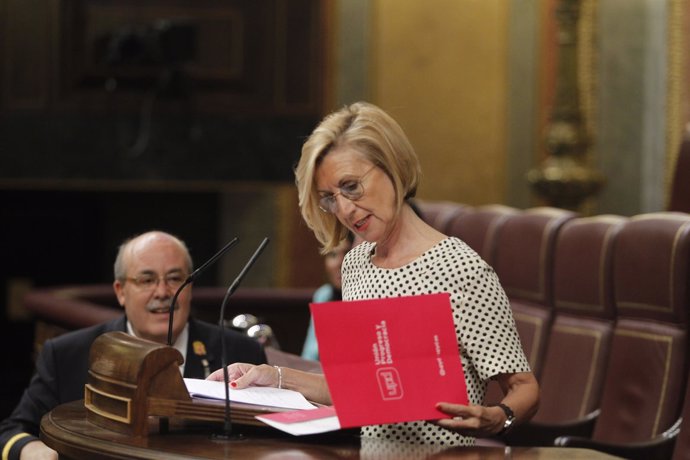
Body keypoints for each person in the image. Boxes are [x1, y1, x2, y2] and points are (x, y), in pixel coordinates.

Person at [209, 102, 539, 446]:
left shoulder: (460, 268)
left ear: (393, 166)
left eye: (351, 186)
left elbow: (524, 388)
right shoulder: (355, 265)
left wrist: (498, 417)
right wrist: (271, 376)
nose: (345, 209)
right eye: (330, 199)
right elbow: (359, 390)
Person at [0, 231, 266, 460]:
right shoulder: (67, 354)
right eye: (147, 280)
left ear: (190, 287)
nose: (162, 292)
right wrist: (32, 449)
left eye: (175, 279)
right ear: (120, 291)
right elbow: (12, 431)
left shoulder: (240, 353)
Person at [300, 233, 353, 361]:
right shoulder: (324, 295)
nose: (339, 263)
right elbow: (310, 355)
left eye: (347, 253)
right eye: (333, 255)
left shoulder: (370, 294)